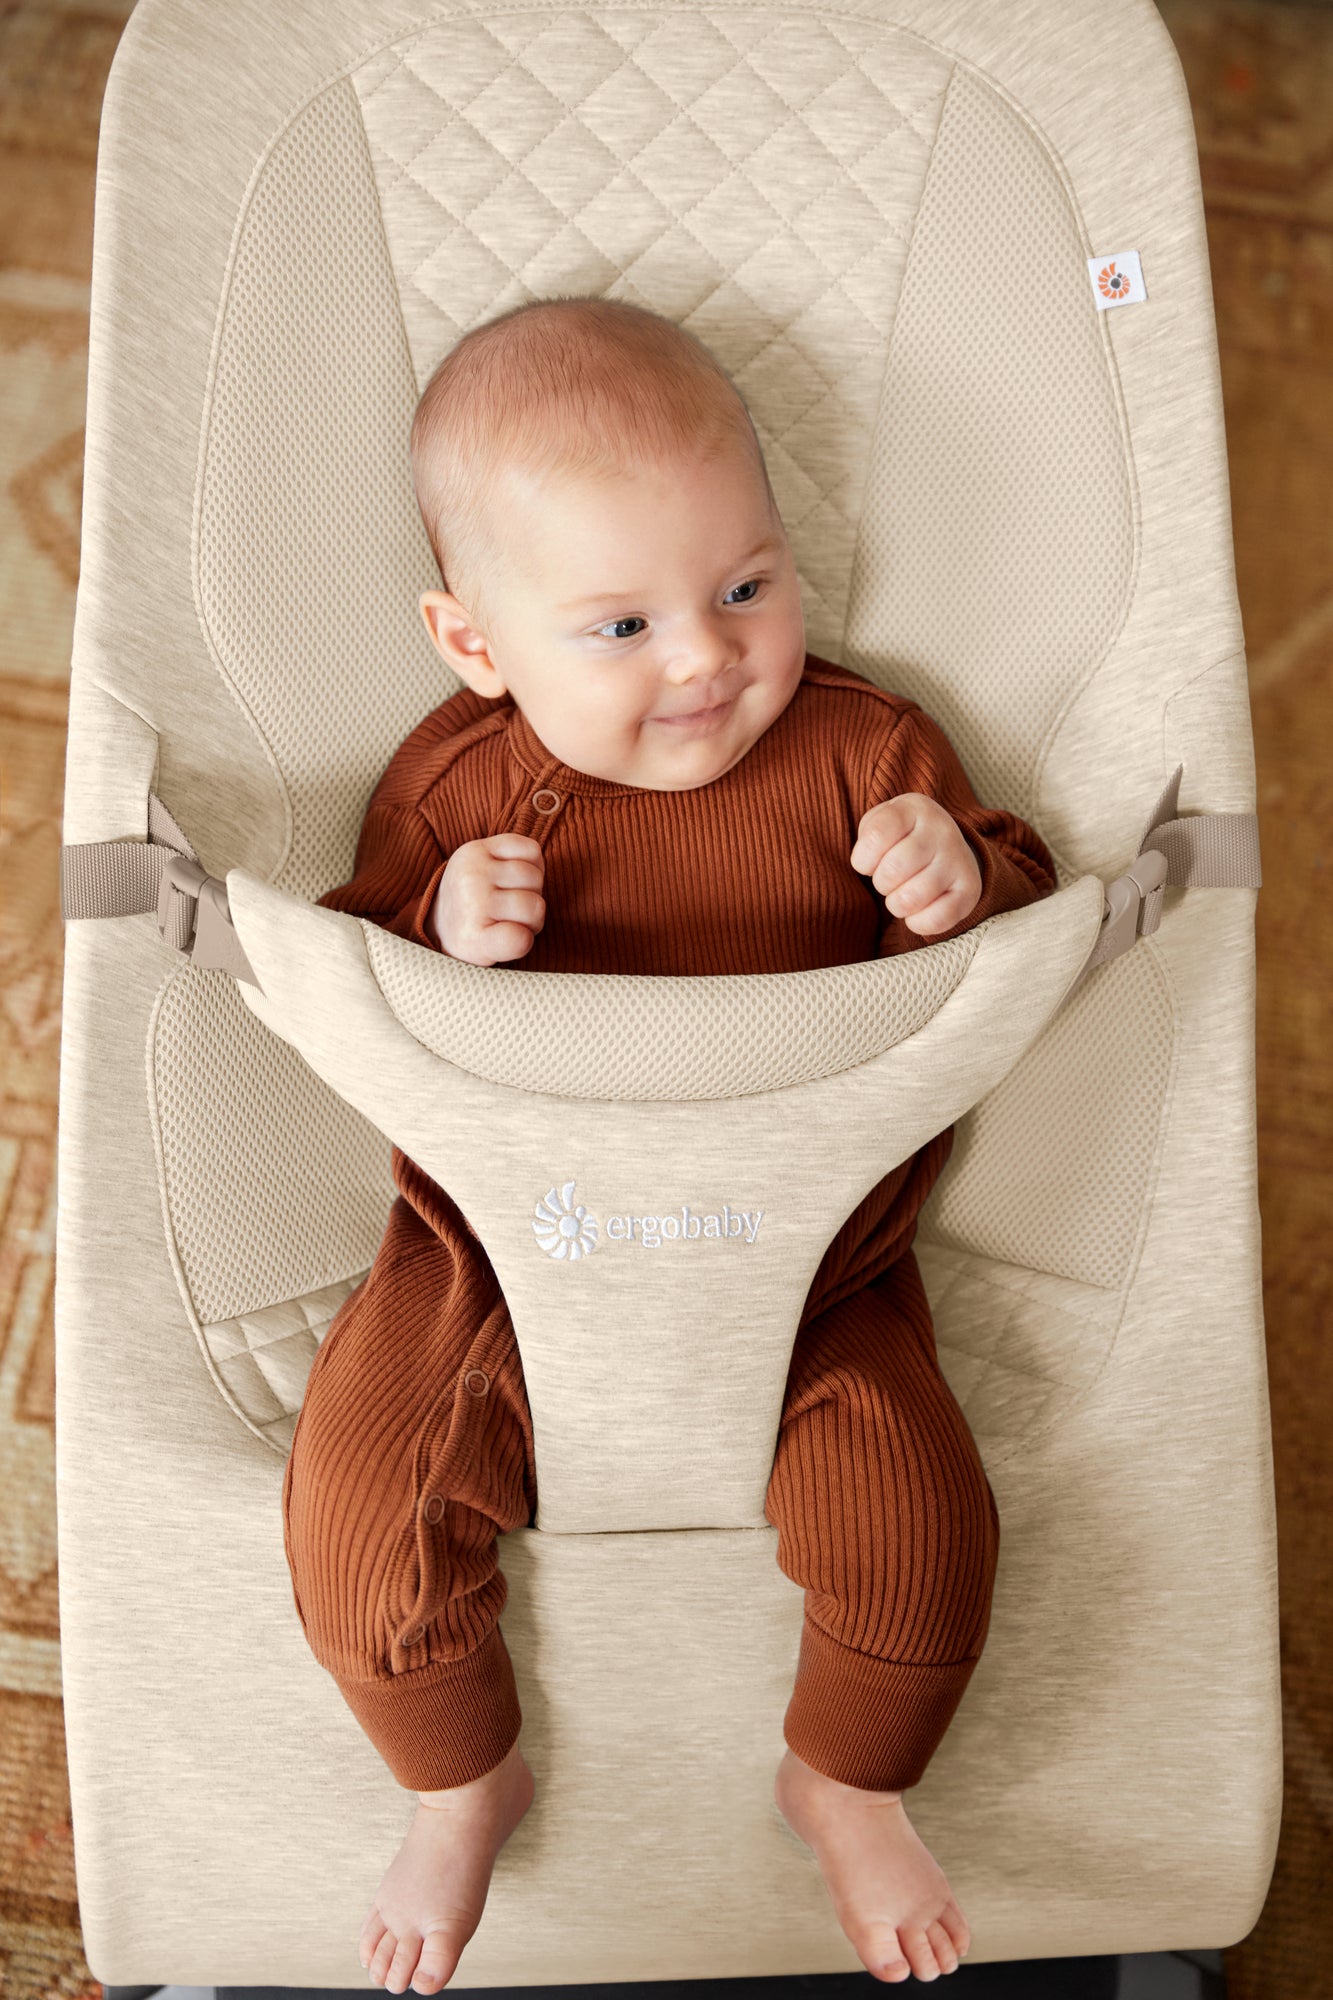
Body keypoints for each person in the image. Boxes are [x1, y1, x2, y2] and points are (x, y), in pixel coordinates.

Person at [281, 295, 1058, 1995]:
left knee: (921, 1529)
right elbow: (345, 981)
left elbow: (1017, 902)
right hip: (498, 1261)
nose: (704, 659)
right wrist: (432, 925)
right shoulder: (461, 792)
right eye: (620, 625)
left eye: (746, 588)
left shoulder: (864, 753)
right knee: (357, 1513)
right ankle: (460, 1782)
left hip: (811, 1270)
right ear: (475, 644)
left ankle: (845, 1782)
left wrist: (959, 881)